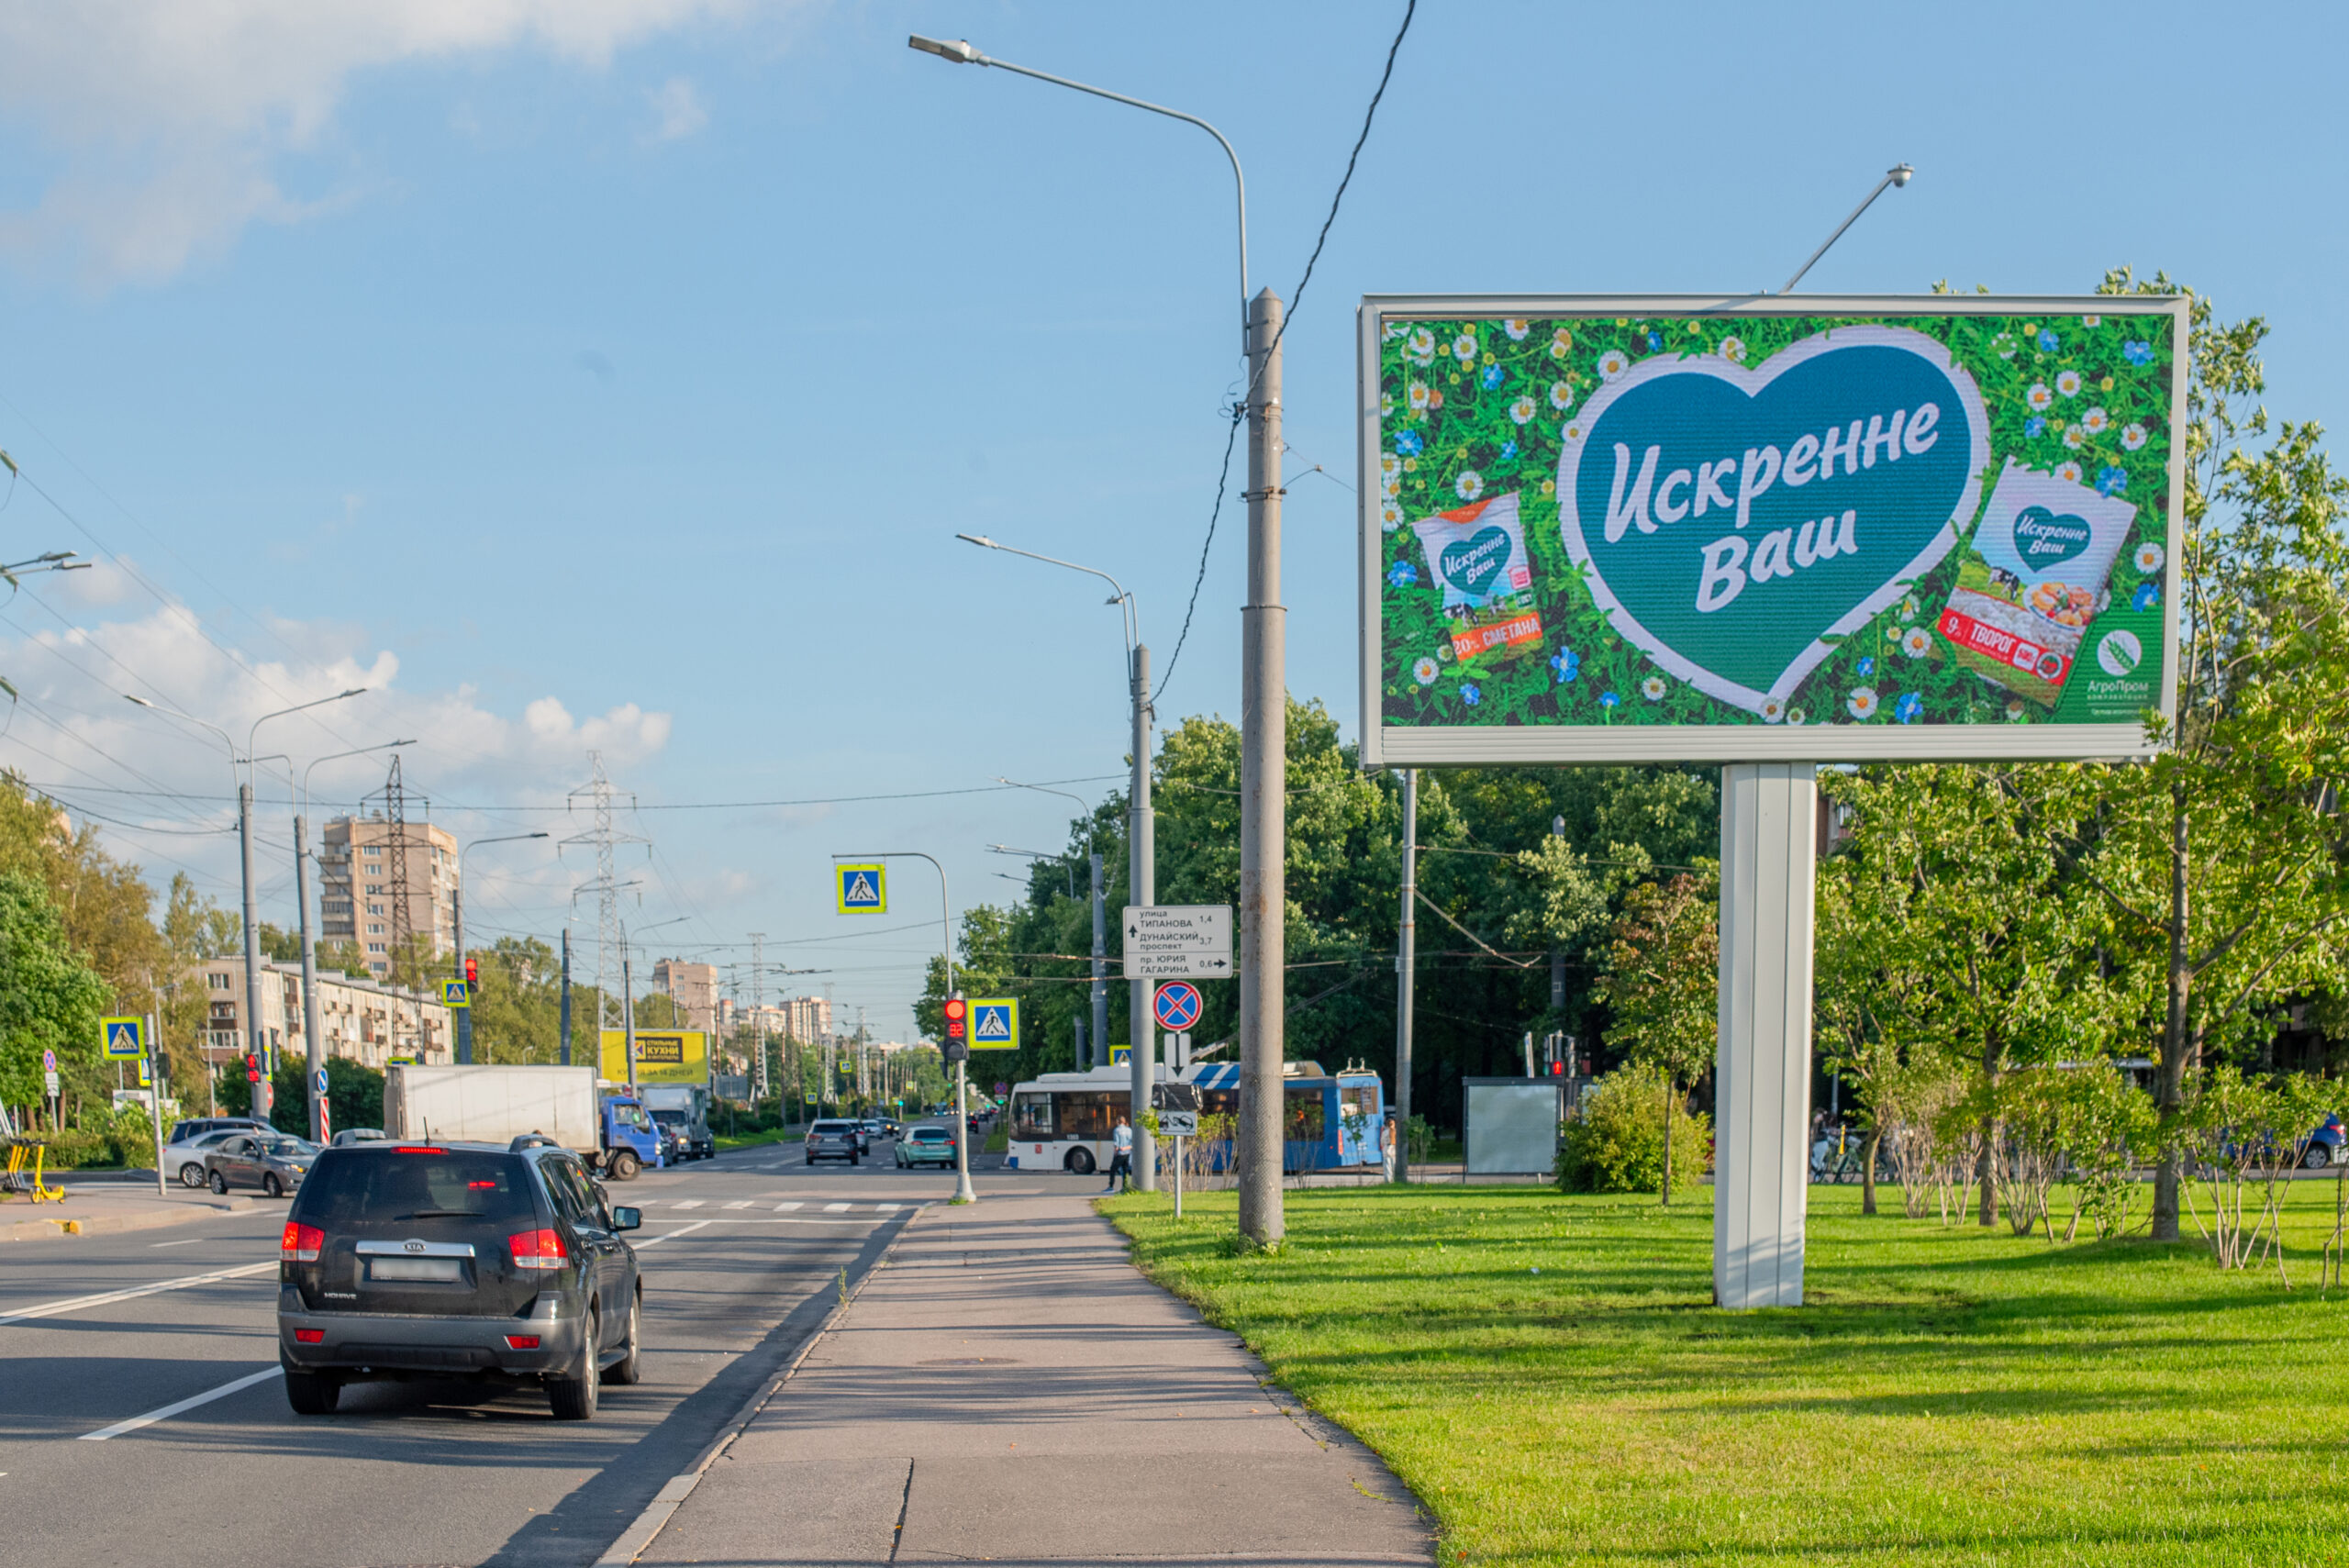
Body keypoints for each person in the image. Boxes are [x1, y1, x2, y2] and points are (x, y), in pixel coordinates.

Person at [1104, 1116, 1134, 1194]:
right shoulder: (1129, 1130)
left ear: (1118, 1121)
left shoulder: (1117, 1130)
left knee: (1112, 1169)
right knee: (1125, 1170)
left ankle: (1111, 1186)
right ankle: (1125, 1186)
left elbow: (1116, 1143)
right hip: (1127, 1152)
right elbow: (1132, 1142)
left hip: (1120, 1152)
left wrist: (1115, 1152)